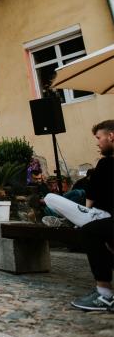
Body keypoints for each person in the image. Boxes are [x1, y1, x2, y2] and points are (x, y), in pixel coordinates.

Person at [45, 120, 113, 311]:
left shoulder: (106, 163)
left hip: (99, 216)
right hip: (104, 217)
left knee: (51, 198)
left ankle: (105, 294)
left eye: (99, 138)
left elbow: (91, 197)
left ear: (111, 136)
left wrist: (88, 212)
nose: (98, 143)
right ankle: (70, 221)